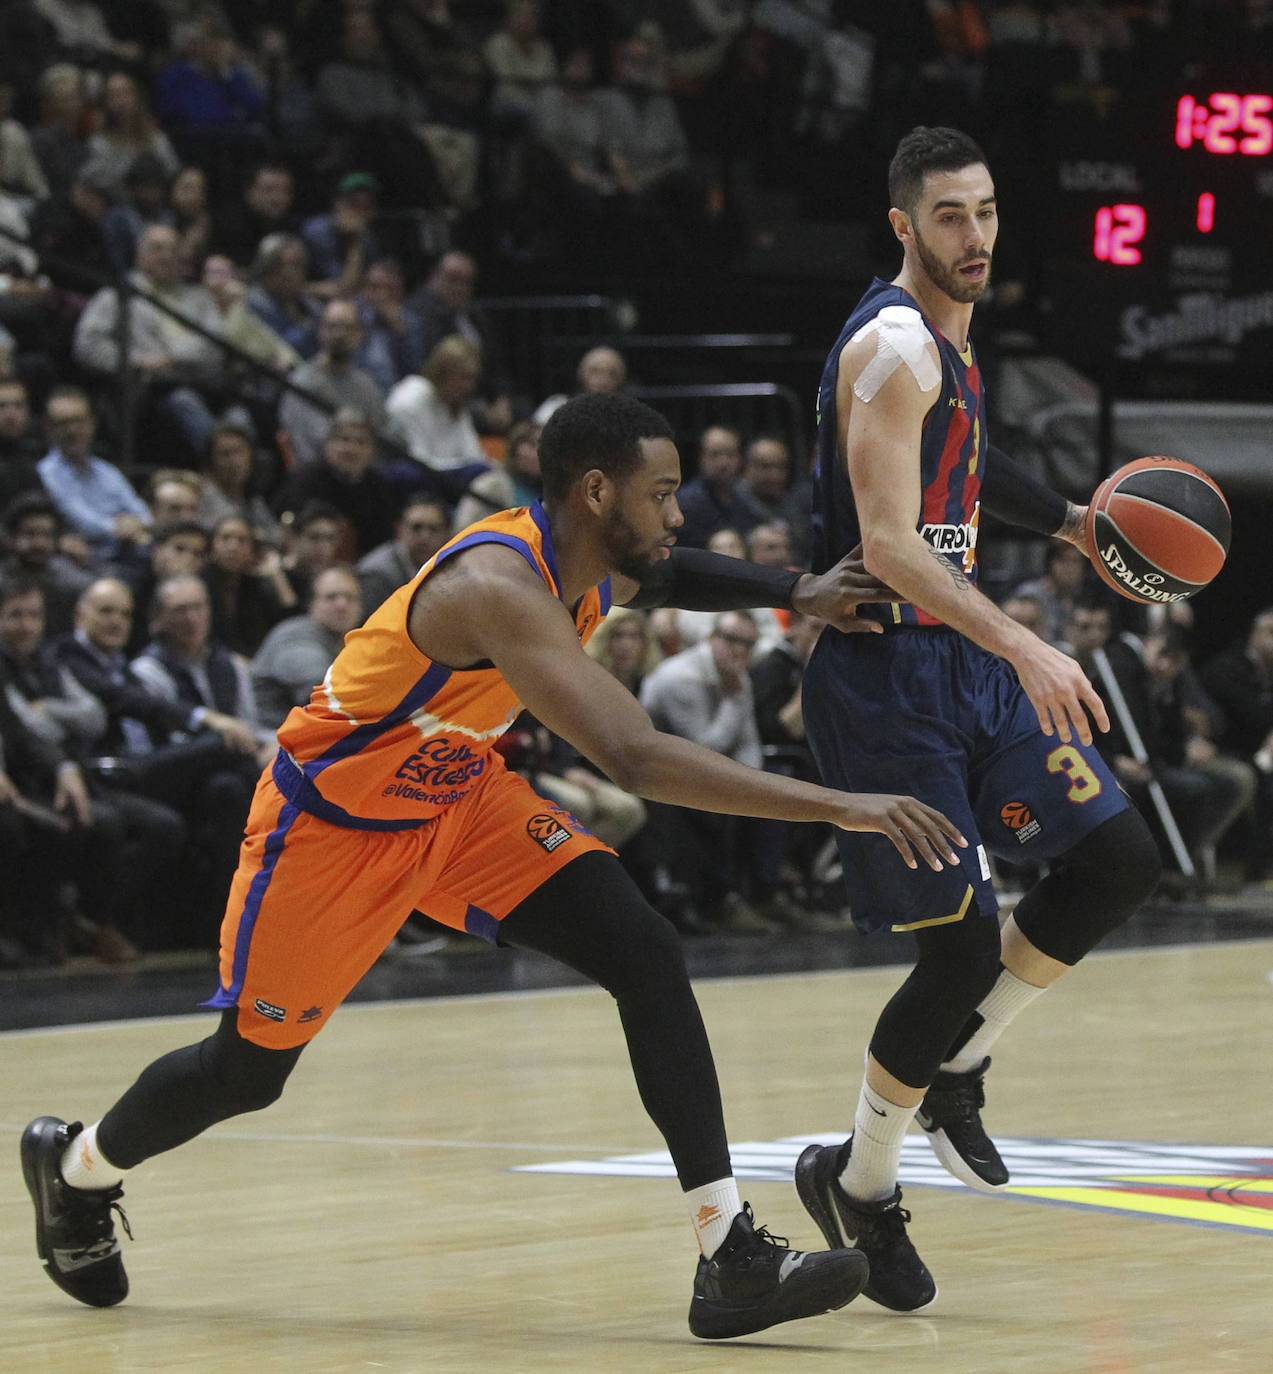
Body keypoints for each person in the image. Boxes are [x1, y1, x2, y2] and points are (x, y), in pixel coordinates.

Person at [20, 391, 966, 1339]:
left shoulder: (595, 556)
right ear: (597, 493)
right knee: (245, 1075)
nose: (678, 514)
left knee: (643, 951)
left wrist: (793, 590)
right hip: (331, 828)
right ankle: (76, 1170)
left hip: (458, 799)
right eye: (662, 492)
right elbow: (634, 758)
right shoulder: (494, 586)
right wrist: (845, 806)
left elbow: (672, 576)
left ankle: (730, 1259)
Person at [791, 126, 1161, 1313]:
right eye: (950, 216)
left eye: (987, 211)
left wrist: (1066, 524)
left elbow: (961, 467)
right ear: (903, 226)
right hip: (885, 676)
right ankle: (865, 1180)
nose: (977, 236)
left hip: (958, 657)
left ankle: (956, 1062)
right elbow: (892, 542)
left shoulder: (947, 344)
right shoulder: (893, 341)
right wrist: (1029, 636)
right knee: (955, 944)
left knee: (1114, 857)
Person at [249, 565, 363, 729]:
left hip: (307, 731)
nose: (342, 605)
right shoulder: (295, 636)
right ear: (312, 603)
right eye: (331, 597)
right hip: (267, 735)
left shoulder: (351, 640)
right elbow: (325, 691)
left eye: (350, 597)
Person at [355, 495, 450, 616]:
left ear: (447, 532)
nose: (425, 536)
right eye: (416, 527)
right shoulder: (377, 573)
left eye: (434, 529)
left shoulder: (451, 564)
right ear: (399, 528)